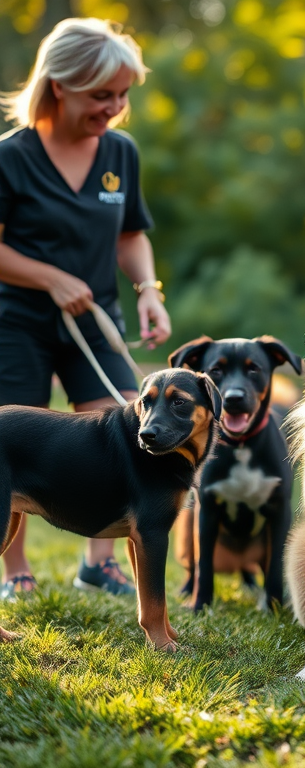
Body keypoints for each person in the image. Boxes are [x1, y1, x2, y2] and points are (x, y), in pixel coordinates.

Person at [0, 18, 171, 597]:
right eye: (103, 95)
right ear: (60, 85)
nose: (116, 107)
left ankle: (101, 564)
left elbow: (130, 236)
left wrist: (148, 289)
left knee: (121, 424)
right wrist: (48, 278)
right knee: (13, 441)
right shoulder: (11, 157)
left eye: (123, 94)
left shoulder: (120, 153)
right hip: (16, 321)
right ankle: (16, 572)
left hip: (95, 320)